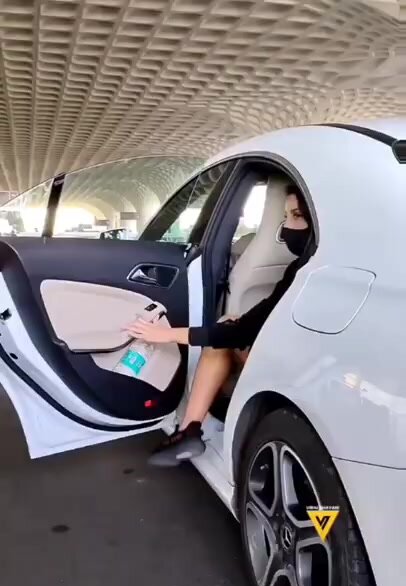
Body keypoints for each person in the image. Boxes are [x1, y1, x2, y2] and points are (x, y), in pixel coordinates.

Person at [125, 184, 315, 467]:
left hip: (296, 372)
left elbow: (239, 333)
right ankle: (188, 431)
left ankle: (189, 430)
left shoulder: (303, 272)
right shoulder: (312, 267)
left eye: (296, 215)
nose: (286, 227)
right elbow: (259, 320)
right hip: (311, 362)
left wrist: (166, 334)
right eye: (285, 217)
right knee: (229, 326)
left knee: (224, 334)